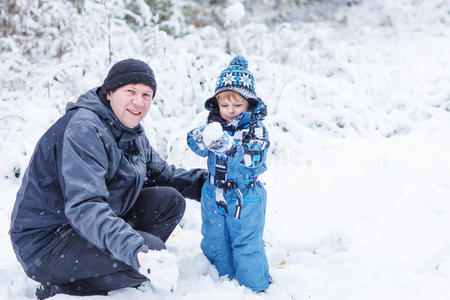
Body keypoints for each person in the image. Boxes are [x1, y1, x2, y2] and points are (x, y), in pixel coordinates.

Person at [9, 58, 207, 299]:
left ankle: (122, 263)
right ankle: (66, 286)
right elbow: (86, 206)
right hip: (47, 242)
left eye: (146, 95)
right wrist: (136, 251)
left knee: (170, 201)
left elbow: (164, 176)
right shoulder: (84, 129)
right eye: (130, 91)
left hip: (83, 226)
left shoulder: (130, 132)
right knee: (149, 254)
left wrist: (209, 184)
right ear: (110, 92)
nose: (139, 101)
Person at [187, 55, 271, 292]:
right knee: (215, 240)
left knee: (246, 243)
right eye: (225, 106)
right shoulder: (214, 126)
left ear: (249, 104)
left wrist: (230, 147)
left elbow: (255, 156)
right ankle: (220, 284)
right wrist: (199, 137)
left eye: (237, 105)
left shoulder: (256, 130)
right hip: (213, 192)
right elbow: (197, 146)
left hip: (246, 196)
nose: (230, 111)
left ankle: (254, 287)